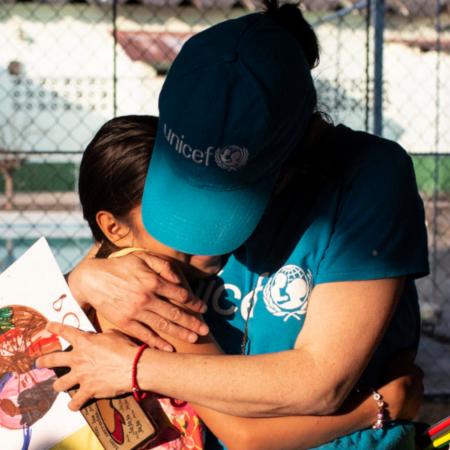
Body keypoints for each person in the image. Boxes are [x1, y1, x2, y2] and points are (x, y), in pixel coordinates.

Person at [38, 2, 429, 449]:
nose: (200, 250)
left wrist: (132, 367)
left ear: (289, 159)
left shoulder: (368, 179)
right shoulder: (142, 237)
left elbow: (320, 382)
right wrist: (84, 279)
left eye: (224, 199)